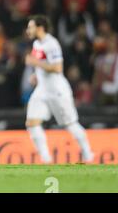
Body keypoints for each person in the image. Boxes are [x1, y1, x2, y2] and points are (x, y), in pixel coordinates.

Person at [25, 15, 94, 164]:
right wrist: (36, 75)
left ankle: (88, 156)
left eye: (30, 27)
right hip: (42, 90)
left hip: (57, 91)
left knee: (70, 124)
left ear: (40, 28)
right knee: (32, 122)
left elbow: (57, 68)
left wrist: (36, 63)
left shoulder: (52, 44)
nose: (27, 30)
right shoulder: (37, 44)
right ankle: (46, 160)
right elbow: (43, 65)